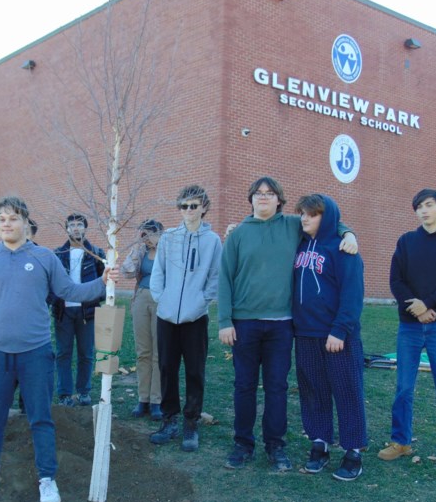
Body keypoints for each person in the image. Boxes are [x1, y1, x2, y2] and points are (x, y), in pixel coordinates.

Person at [0, 196, 119, 502]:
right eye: (2, 219)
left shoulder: (45, 258)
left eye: (13, 218)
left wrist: (102, 282)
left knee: (40, 418)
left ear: (25, 222)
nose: (7, 224)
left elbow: (69, 292)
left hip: (36, 354)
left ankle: (47, 478)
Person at [219, 177, 357, 471]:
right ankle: (242, 444)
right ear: (251, 199)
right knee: (244, 386)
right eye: (258, 193)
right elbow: (224, 278)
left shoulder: (293, 225)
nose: (264, 197)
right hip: (244, 324)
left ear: (279, 200)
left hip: (282, 326)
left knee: (277, 387)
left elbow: (326, 221)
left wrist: (349, 233)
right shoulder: (238, 234)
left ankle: (276, 446)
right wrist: (224, 320)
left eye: (270, 194)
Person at [379, 188, 436, 474]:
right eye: (419, 206)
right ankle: (401, 442)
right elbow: (396, 281)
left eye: (429, 205)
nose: (424, 210)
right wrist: (416, 309)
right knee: (403, 387)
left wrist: (429, 304)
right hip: (409, 326)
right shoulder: (407, 242)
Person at [292, 194, 368, 480]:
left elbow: (352, 294)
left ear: (327, 217)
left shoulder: (343, 248)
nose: (304, 218)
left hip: (337, 336)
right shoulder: (299, 243)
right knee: (313, 391)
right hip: (305, 333)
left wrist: (339, 330)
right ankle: (319, 443)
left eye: (311, 214)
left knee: (347, 392)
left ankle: (353, 451)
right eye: (302, 214)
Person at [149, 185, 222, 452]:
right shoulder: (169, 237)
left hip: (195, 317)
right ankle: (169, 419)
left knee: (194, 370)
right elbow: (159, 271)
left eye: (194, 205)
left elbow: (215, 275)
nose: (189, 211)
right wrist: (161, 297)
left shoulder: (212, 240)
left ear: (203, 207)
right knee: (167, 367)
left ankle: (191, 422)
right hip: (167, 315)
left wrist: (202, 300)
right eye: (184, 206)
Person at [50, 213, 106, 407]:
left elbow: (104, 282)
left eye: (79, 225)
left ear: (85, 228)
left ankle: (84, 391)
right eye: (72, 225)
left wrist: (97, 300)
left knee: (86, 353)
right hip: (63, 311)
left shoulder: (96, 253)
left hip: (86, 313)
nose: (75, 228)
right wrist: (52, 301)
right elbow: (51, 283)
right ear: (66, 229)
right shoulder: (57, 255)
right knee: (63, 353)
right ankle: (65, 393)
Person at [120, 219, 165, 421]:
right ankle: (143, 398)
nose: (147, 239)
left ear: (160, 233)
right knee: (143, 352)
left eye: (150, 234)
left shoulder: (167, 252)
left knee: (158, 353)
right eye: (144, 235)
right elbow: (126, 272)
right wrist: (135, 249)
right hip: (141, 299)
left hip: (161, 301)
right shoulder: (141, 252)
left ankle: (156, 400)